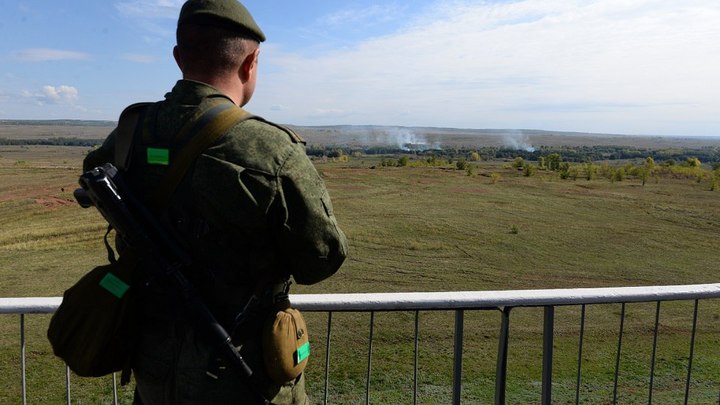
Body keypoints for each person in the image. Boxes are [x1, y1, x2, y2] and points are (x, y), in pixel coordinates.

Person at [82, 0, 348, 403]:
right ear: (251, 62)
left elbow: (93, 179)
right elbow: (322, 258)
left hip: (155, 370)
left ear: (178, 57)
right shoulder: (271, 149)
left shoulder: (133, 131)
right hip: (242, 372)